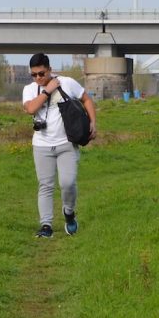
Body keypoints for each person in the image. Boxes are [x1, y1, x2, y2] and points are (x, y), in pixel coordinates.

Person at [22, 53, 97, 238]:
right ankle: (46, 225)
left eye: (41, 73)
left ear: (50, 69)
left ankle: (69, 213)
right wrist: (47, 90)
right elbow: (30, 109)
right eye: (34, 74)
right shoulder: (30, 89)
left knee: (67, 183)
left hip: (67, 143)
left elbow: (86, 99)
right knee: (45, 185)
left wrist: (93, 122)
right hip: (41, 145)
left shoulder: (67, 83)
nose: (38, 78)